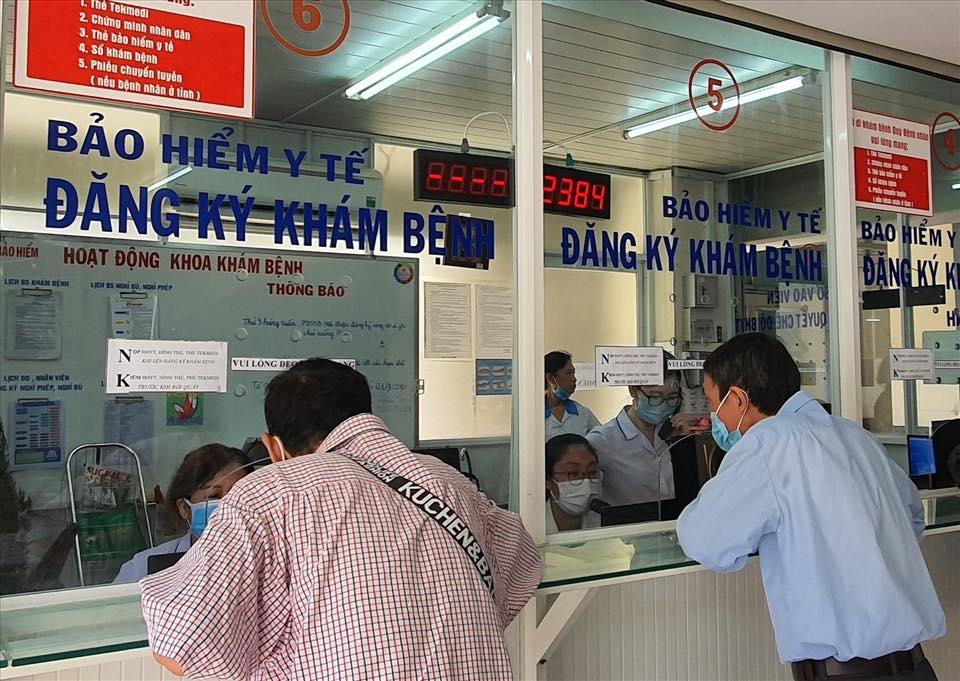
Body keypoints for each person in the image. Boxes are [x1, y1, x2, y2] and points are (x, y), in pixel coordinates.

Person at [141, 358, 542, 680]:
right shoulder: (446, 478)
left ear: (273, 447)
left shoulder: (272, 493)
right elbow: (522, 562)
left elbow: (184, 648)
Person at [677, 333, 945, 681]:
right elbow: (912, 516)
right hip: (916, 667)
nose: (714, 418)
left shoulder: (767, 443)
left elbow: (706, 541)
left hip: (843, 673)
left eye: (714, 405)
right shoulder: (854, 435)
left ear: (739, 400)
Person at [113, 444, 248, 584]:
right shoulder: (141, 569)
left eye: (238, 494)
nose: (228, 504)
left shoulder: (268, 563)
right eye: (214, 496)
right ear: (184, 508)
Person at [588, 353, 701, 509]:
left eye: (672, 398)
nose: (663, 405)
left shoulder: (674, 433)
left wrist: (684, 445)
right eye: (655, 397)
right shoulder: (603, 441)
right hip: (631, 528)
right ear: (633, 390)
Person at [545, 434, 602, 532]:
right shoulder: (528, 526)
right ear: (547, 480)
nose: (586, 482)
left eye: (592, 472)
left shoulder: (610, 522)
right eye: (573, 473)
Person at [545, 350, 600, 438]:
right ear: (551, 378)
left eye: (573, 373)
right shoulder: (536, 415)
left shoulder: (582, 412)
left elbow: (602, 440)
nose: (574, 379)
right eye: (568, 373)